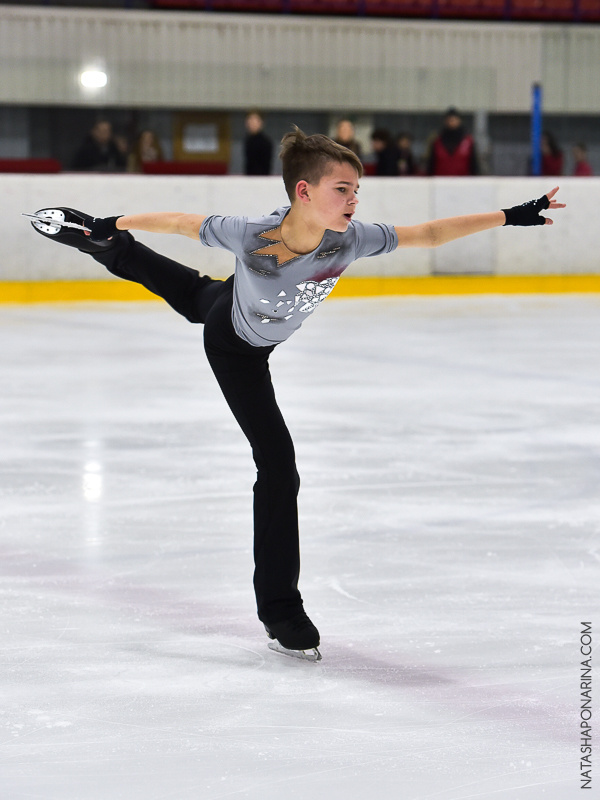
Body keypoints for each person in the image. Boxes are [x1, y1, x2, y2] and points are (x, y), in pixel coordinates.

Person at [28, 127, 564, 661]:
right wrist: (111, 219)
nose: (354, 200)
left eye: (357, 190)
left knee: (196, 292)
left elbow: (428, 233)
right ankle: (281, 610)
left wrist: (509, 215)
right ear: (303, 192)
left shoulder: (352, 239)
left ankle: (107, 247)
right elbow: (179, 221)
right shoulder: (252, 234)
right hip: (236, 346)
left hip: (235, 301)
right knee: (278, 464)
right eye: (342, 190)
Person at [426, 107, 479, 176]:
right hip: (440, 182)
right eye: (449, 120)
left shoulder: (468, 142)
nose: (452, 122)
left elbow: (474, 166)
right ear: (445, 121)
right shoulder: (437, 142)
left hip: (463, 182)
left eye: (454, 120)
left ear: (459, 121)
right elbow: (431, 165)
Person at [244, 111, 273, 176]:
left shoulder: (265, 142)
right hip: (249, 178)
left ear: (261, 123)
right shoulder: (247, 141)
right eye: (250, 120)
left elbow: (266, 165)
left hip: (261, 178)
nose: (252, 123)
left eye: (255, 121)